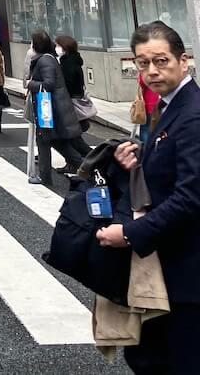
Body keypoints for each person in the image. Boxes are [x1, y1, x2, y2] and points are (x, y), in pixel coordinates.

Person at [96, 21, 200, 375]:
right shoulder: (171, 106)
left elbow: (191, 196)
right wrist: (138, 161)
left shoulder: (193, 114)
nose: (152, 71)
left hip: (187, 270)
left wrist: (127, 235)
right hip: (173, 264)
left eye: (161, 61)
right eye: (143, 63)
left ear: (184, 60)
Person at [27, 29, 85, 185]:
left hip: (49, 109)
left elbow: (48, 84)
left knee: (48, 141)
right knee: (55, 143)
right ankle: (90, 169)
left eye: (32, 42)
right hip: (52, 108)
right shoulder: (48, 58)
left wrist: (30, 84)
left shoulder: (45, 60)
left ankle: (46, 177)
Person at [55, 33, 92, 156]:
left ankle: (91, 158)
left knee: (72, 137)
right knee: (72, 136)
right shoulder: (74, 60)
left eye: (58, 45)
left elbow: (68, 84)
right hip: (75, 99)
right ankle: (76, 162)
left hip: (71, 103)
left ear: (65, 47)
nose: (56, 48)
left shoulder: (68, 63)